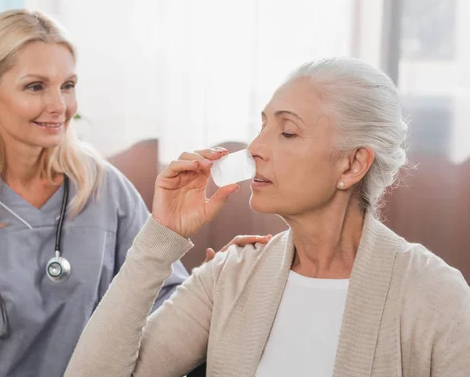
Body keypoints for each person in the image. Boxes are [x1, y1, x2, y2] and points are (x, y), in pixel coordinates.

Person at [65, 57, 470, 377]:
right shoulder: (231, 275)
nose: (255, 146)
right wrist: (161, 236)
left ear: (352, 165)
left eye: (287, 132)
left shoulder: (434, 295)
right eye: (261, 126)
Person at [0, 9, 193, 377]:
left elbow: (167, 299)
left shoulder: (104, 188)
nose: (59, 106)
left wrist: (226, 273)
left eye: (68, 85)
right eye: (35, 86)